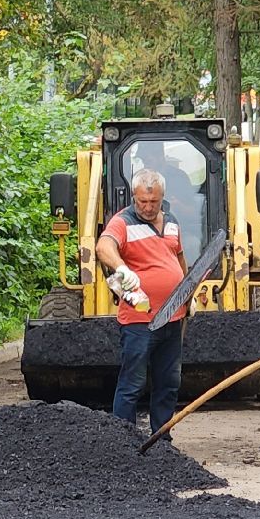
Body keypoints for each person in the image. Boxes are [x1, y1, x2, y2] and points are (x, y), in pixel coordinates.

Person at [96, 169, 188, 436]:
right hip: (140, 322)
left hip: (172, 317)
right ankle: (124, 440)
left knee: (169, 382)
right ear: (134, 197)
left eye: (154, 202)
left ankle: (162, 438)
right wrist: (123, 269)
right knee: (132, 383)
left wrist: (186, 293)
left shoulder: (171, 222)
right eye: (142, 202)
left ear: (162, 198)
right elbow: (104, 247)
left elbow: (178, 259)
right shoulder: (122, 222)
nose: (148, 208)